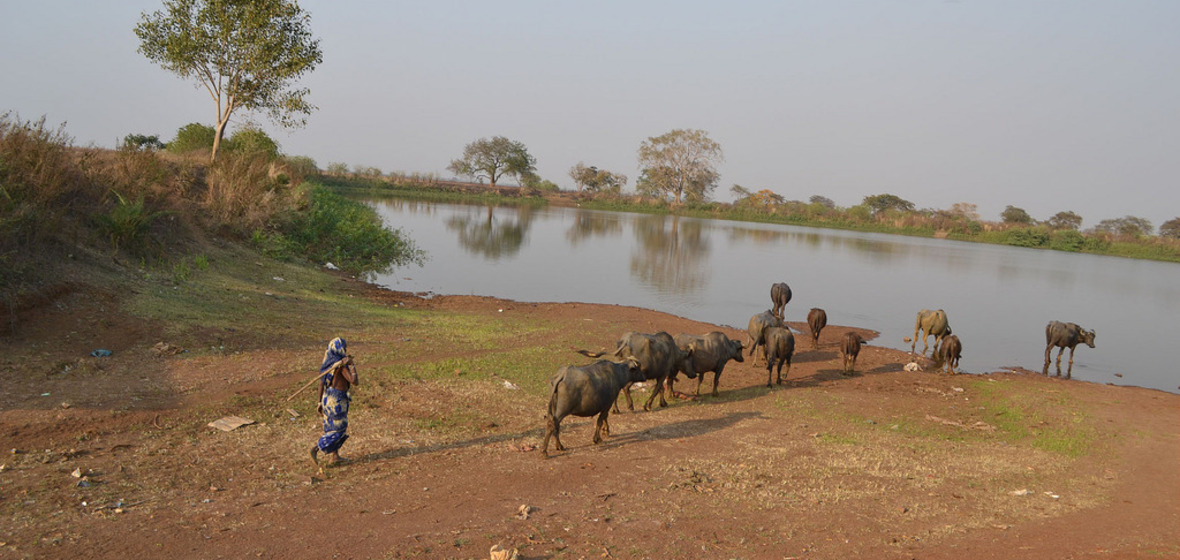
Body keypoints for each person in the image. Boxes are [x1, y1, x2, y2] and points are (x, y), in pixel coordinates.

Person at [310, 337, 358, 466]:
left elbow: (321, 384)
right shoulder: (340, 366)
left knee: (331, 427)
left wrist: (319, 402)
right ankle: (316, 448)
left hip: (327, 398)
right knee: (339, 430)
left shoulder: (327, 364)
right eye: (345, 348)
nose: (346, 350)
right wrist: (351, 365)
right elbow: (354, 381)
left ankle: (335, 456)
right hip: (337, 400)